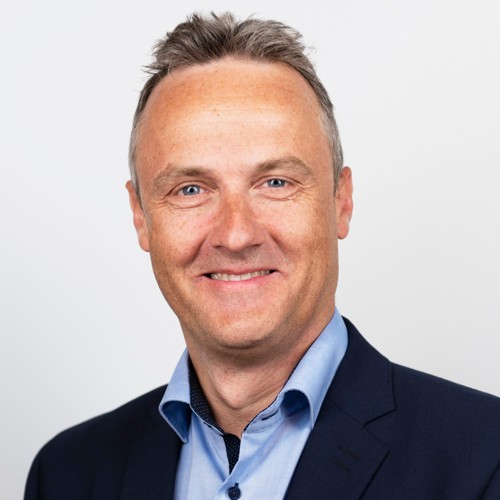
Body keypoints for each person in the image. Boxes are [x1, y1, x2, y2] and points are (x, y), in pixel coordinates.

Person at [25, 12, 500, 500]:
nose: (236, 235)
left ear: (341, 202)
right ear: (141, 216)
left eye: (275, 182)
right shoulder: (65, 476)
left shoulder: (486, 459)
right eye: (191, 189)